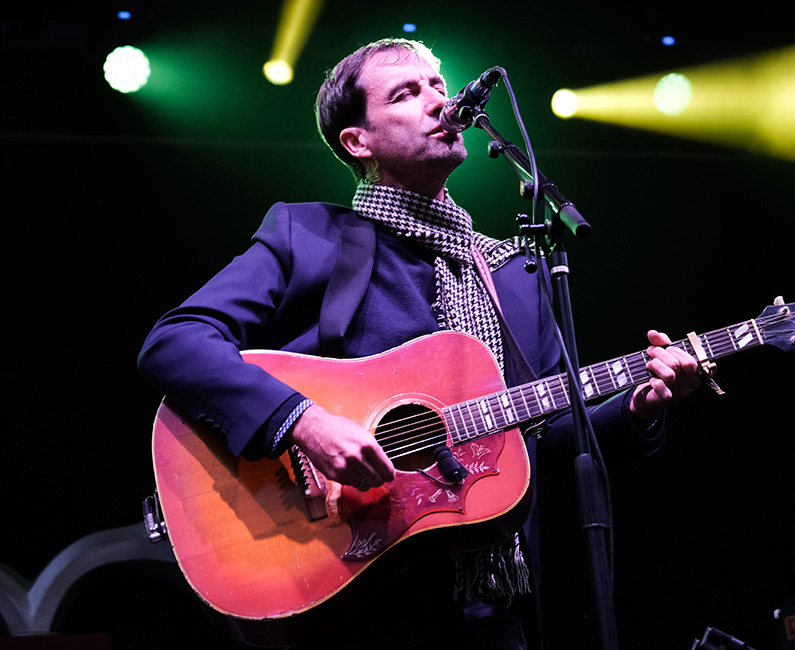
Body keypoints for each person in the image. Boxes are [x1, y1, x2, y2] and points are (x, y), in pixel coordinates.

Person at [138, 37, 702, 649]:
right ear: (359, 142)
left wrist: (640, 407)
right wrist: (303, 423)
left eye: (438, 85)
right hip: (351, 597)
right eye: (405, 94)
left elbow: (542, 441)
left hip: (488, 612)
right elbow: (176, 341)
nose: (438, 101)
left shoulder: (514, 275)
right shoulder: (310, 236)